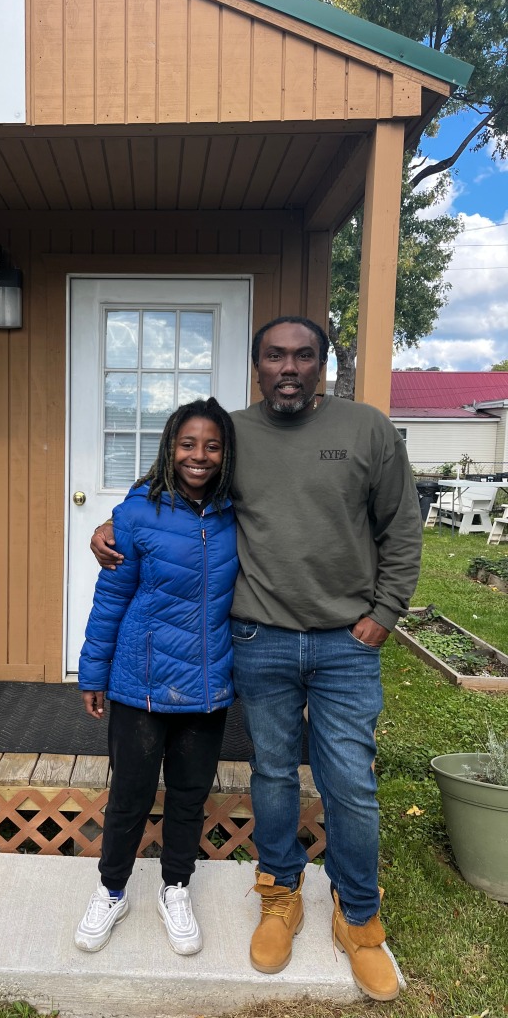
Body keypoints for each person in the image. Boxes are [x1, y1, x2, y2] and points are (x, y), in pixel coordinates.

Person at [91, 317, 422, 1000]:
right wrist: (114, 520)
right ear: (257, 366)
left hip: (344, 643)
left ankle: (359, 919)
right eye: (275, 356)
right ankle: (280, 893)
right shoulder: (236, 435)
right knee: (272, 773)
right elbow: (178, 473)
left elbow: (402, 527)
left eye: (304, 355)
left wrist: (383, 614)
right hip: (259, 638)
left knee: (349, 783)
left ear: (323, 365)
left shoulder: (367, 431)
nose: (290, 367)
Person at [75, 398, 238, 957]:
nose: (199, 455)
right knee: (130, 796)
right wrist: (93, 672)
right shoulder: (137, 512)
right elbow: (111, 597)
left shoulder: (236, 512)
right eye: (188, 444)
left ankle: (175, 888)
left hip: (209, 682)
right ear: (171, 447)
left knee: (190, 797)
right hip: (140, 682)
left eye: (212, 445)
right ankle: (112, 889)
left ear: (225, 453)